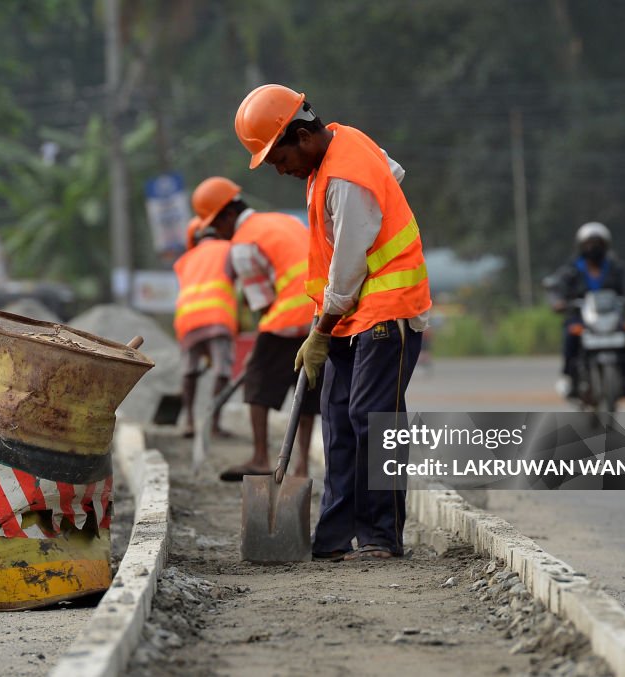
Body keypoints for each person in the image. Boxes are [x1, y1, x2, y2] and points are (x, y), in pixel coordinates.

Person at [234, 84, 431, 561]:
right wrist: (325, 323)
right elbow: (394, 172)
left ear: (301, 135)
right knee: (339, 422)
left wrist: (319, 331)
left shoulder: (345, 177)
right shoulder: (340, 148)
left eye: (279, 159)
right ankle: (334, 536)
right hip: (349, 312)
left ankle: (381, 536)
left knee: (372, 418)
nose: (281, 171)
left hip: (387, 308)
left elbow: (347, 265)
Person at [190, 176, 320, 481]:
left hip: (289, 317)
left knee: (256, 382)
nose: (218, 234)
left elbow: (263, 303)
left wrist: (257, 353)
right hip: (321, 314)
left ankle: (261, 457)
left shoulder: (244, 244)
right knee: (307, 388)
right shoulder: (280, 220)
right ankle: (301, 467)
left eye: (216, 226)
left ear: (228, 215)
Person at [549, 221, 625, 398]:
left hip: (611, 317)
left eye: (597, 244)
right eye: (589, 244)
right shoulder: (572, 270)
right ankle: (569, 376)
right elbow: (557, 286)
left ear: (606, 246)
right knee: (571, 333)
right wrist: (558, 301)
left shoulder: (615, 268)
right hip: (581, 317)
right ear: (581, 246)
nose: (593, 248)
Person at [172, 217, 238, 439]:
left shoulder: (184, 259)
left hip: (187, 320)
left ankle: (189, 421)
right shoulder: (228, 249)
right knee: (222, 370)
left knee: (189, 370)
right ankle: (213, 424)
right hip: (217, 317)